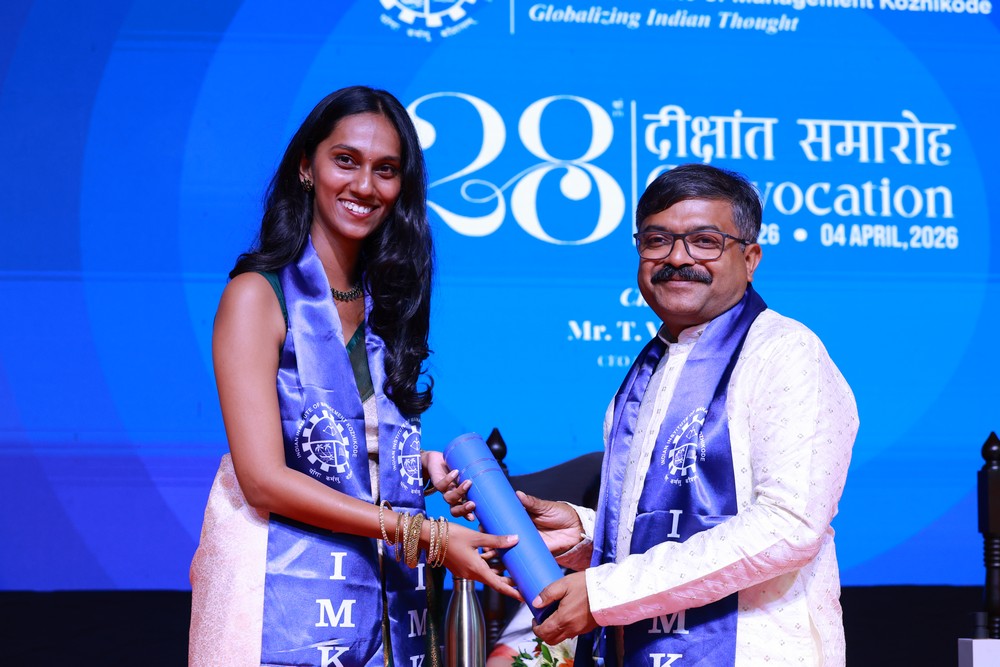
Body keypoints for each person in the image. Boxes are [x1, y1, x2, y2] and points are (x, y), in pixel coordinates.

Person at [446, 163, 858, 666]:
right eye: (657, 240)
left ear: (750, 258)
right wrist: (584, 534)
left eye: (705, 241)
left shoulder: (786, 353)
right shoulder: (649, 373)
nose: (677, 258)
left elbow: (788, 526)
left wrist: (605, 593)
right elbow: (668, 532)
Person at [188, 85, 519, 667]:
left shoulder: (385, 305)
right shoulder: (256, 296)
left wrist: (415, 464)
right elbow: (263, 479)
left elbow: (338, 446)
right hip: (273, 597)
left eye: (385, 170)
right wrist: (426, 536)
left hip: (380, 599)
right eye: (346, 160)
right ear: (306, 167)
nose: (365, 185)